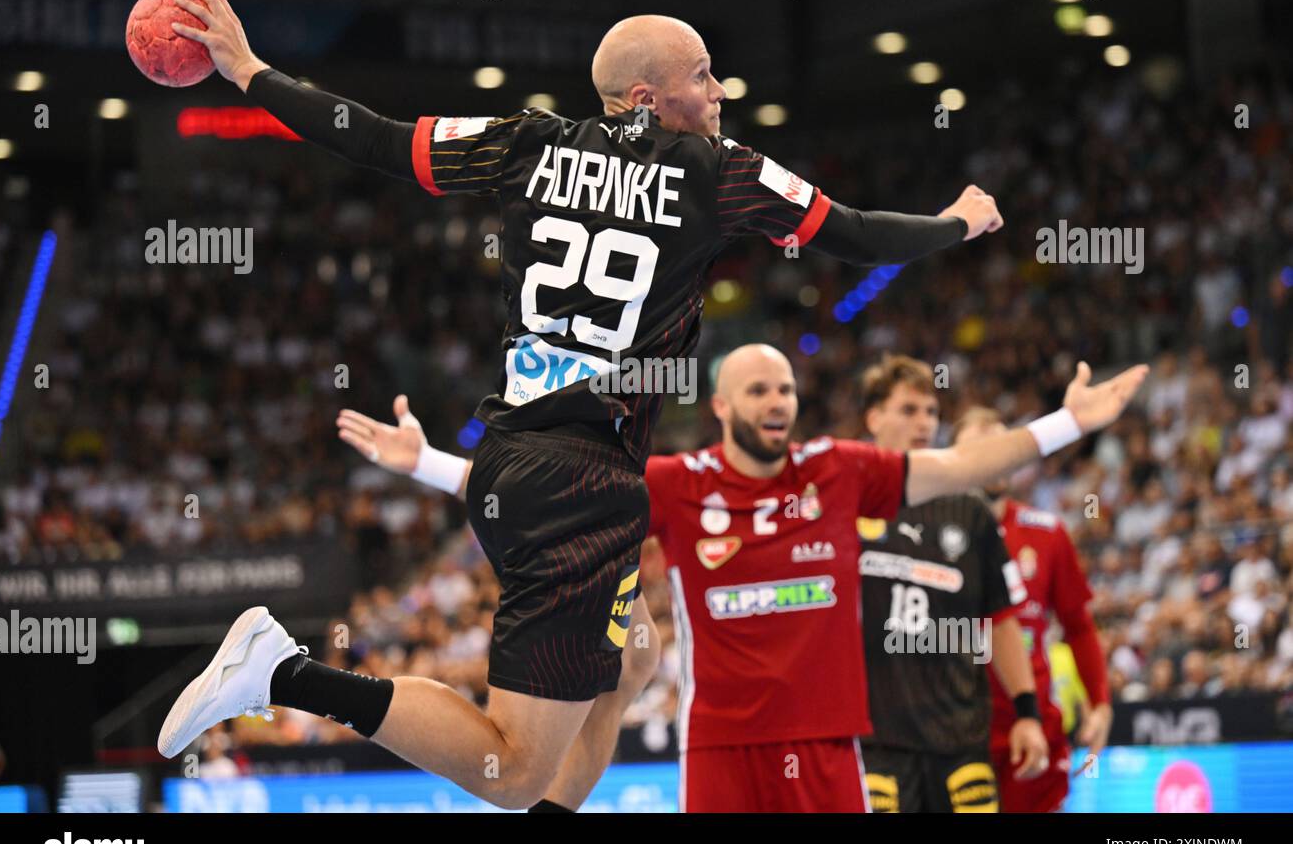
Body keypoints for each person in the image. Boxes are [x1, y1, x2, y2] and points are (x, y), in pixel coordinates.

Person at [153, 0, 1131, 811]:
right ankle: (278, 670)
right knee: (512, 768)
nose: (719, 88)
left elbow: (370, 137)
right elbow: (861, 234)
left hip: (517, 462)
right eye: (703, 73)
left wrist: (249, 70)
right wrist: (957, 221)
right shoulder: (718, 173)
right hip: (583, 484)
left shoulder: (527, 142)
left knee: (634, 663)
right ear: (645, 96)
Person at [336, 345, 1145, 810]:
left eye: (787, 389)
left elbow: (966, 461)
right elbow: (555, 501)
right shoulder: (681, 485)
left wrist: (1069, 421)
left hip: (829, 749)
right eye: (758, 388)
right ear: (722, 405)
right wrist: (434, 465)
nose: (778, 401)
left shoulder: (840, 471)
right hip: (721, 748)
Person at [855, 354, 1047, 812]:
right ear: (874, 417)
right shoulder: (848, 500)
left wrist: (1027, 714)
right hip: (876, 746)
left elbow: (1001, 620)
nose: (924, 422)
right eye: (908, 410)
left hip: (960, 743)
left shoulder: (970, 511)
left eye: (931, 412)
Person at [956, 405, 1112, 812]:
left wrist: (1100, 703)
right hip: (951, 734)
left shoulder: (1047, 532)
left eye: (1006, 445)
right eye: (983, 448)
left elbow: (1078, 626)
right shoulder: (922, 534)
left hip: (1034, 730)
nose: (998, 456)